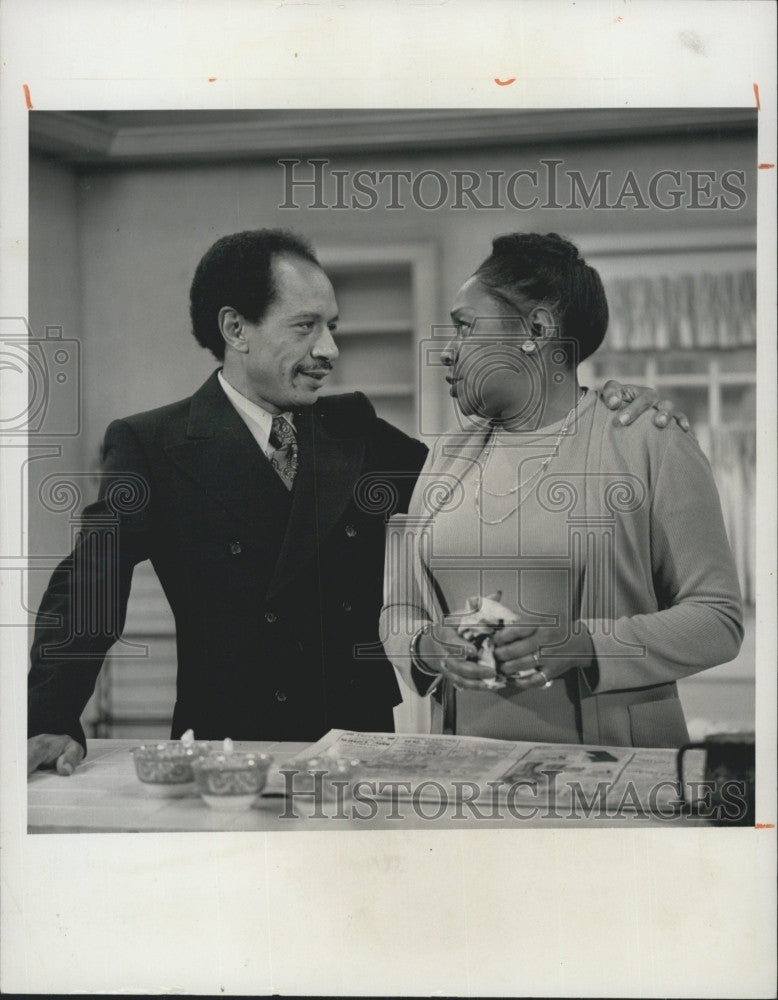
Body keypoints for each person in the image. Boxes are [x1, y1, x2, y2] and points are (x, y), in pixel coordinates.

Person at [27, 228, 684, 777]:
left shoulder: (356, 431)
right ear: (236, 328)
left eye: (333, 327)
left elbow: (488, 489)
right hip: (231, 753)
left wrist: (597, 408)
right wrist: (52, 715)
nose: (330, 352)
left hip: (362, 754)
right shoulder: (152, 444)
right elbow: (91, 583)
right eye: (307, 327)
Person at [380, 232, 743, 748]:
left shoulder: (646, 439)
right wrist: (425, 647)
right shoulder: (444, 457)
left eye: (464, 327)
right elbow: (399, 610)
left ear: (536, 328)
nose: (446, 350)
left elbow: (717, 619)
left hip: (614, 772)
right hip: (465, 769)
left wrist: (585, 644)